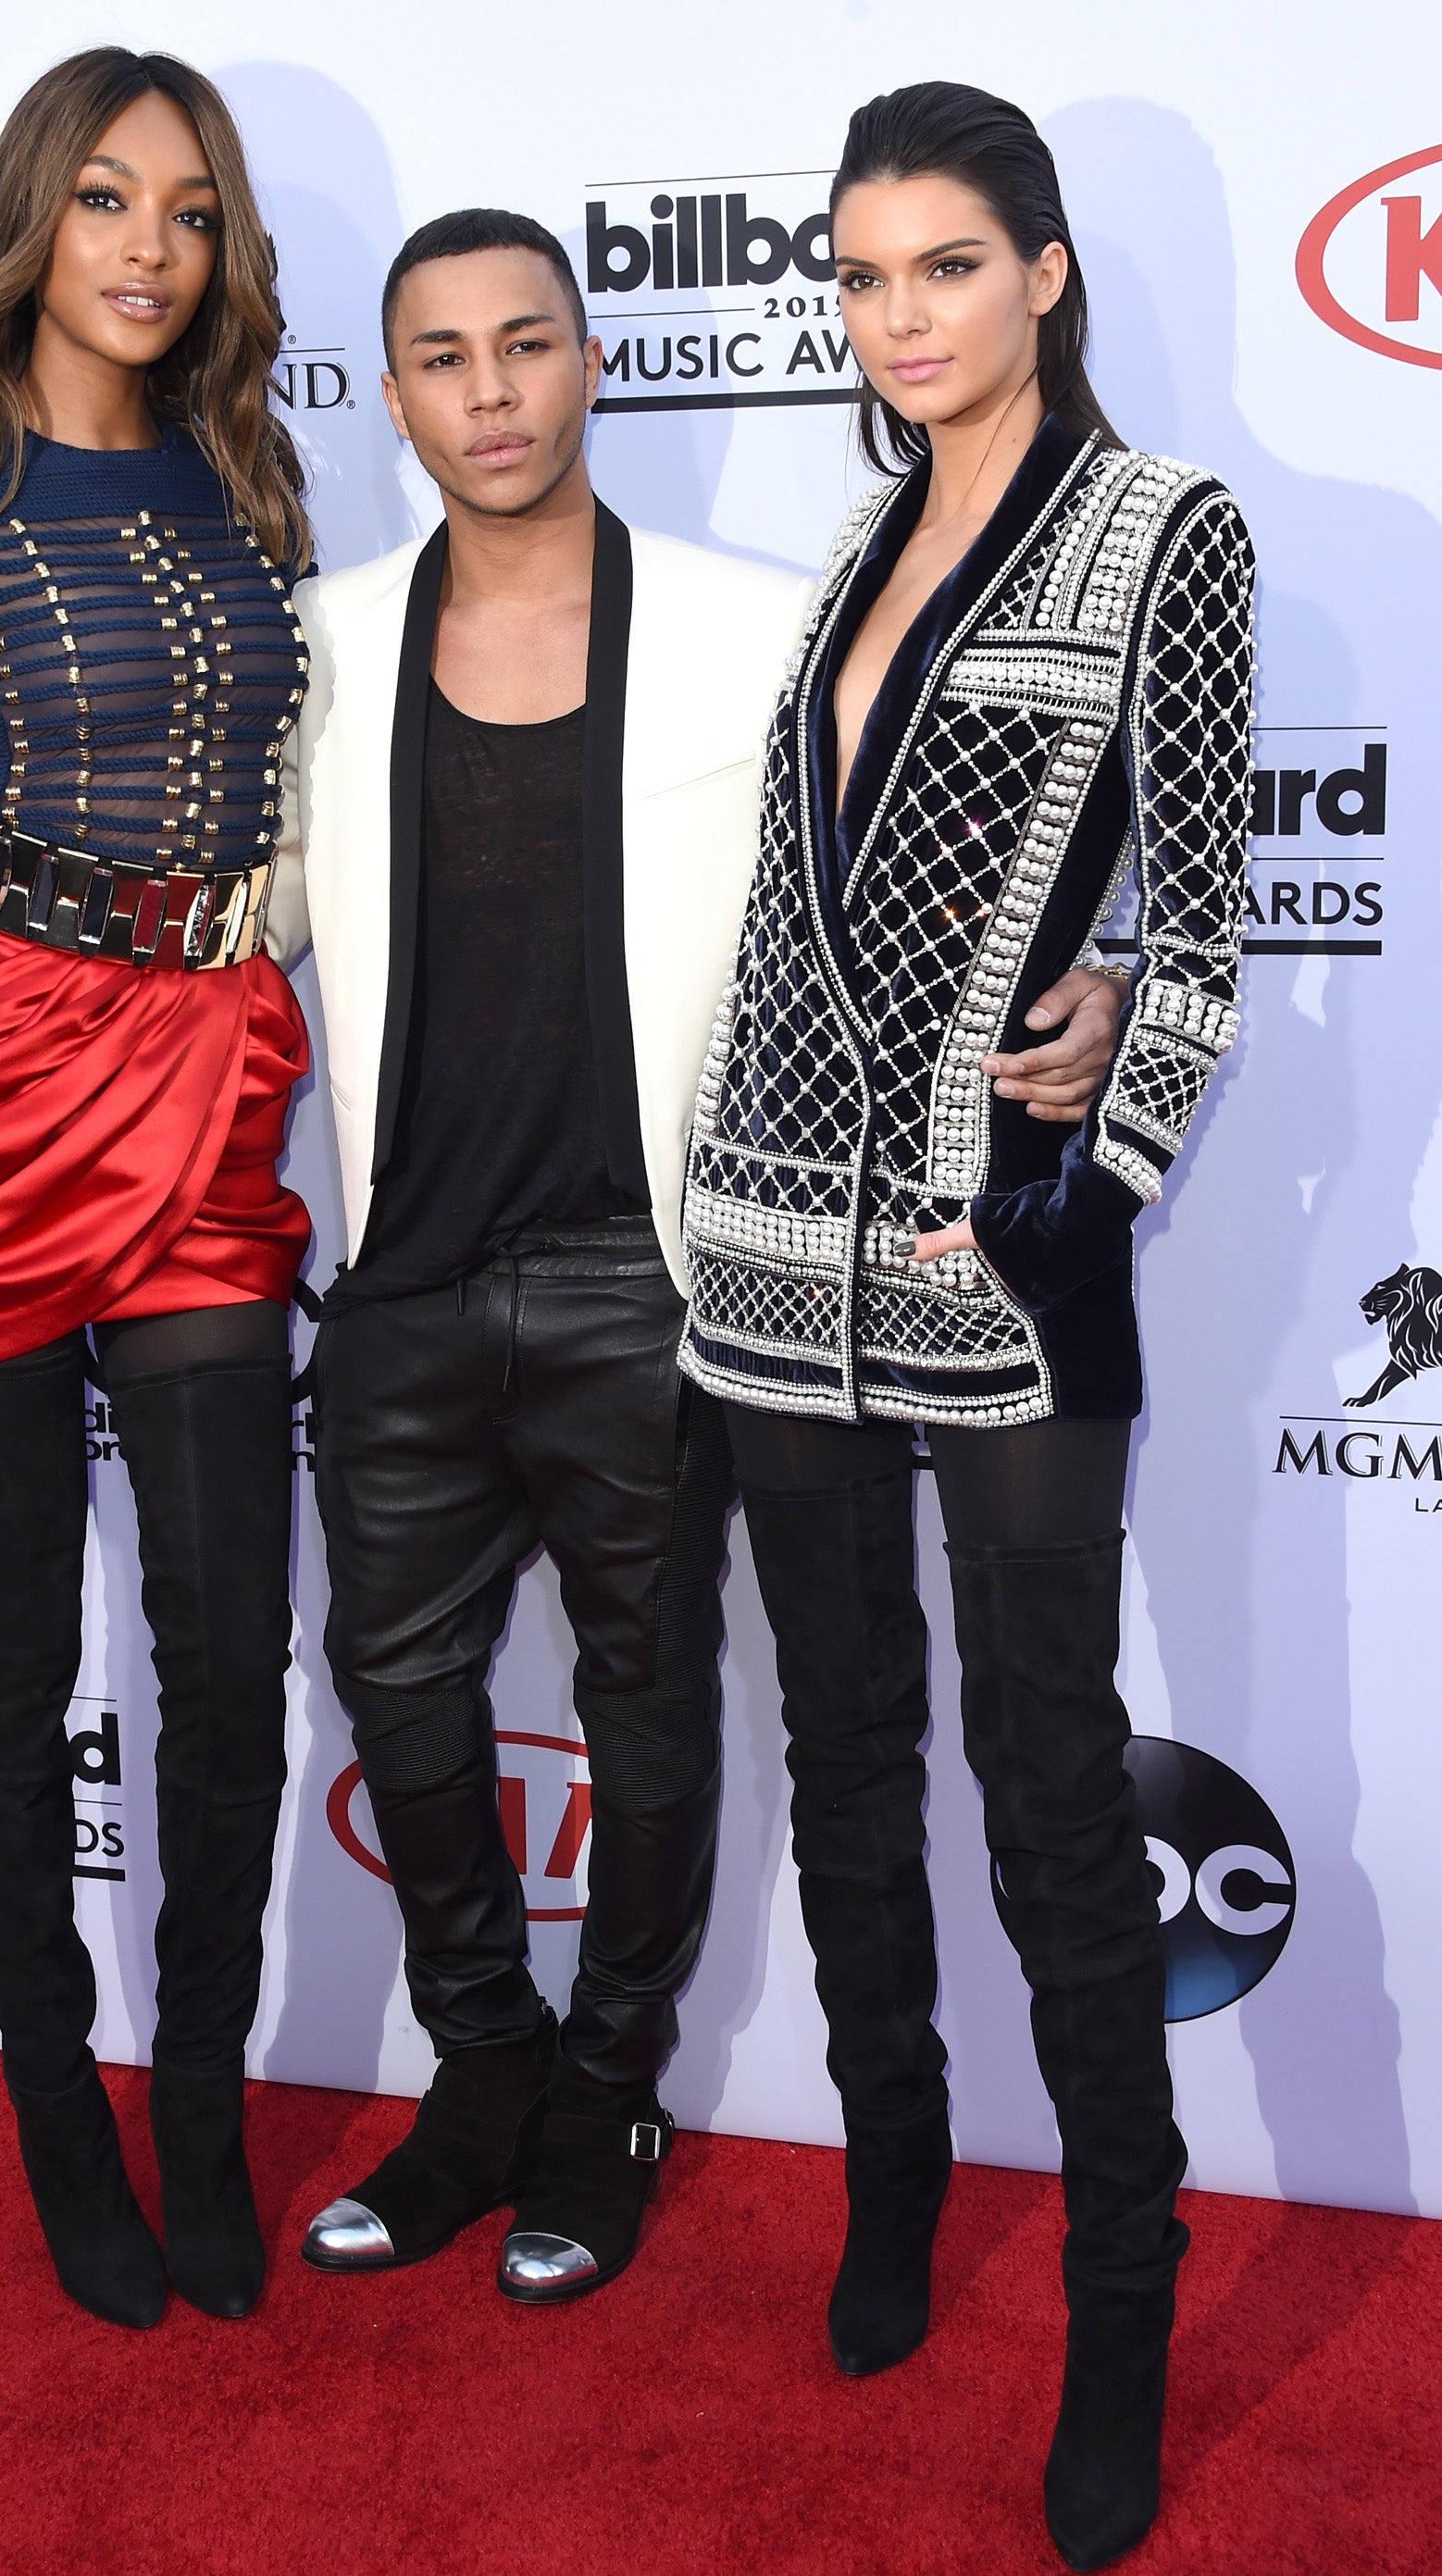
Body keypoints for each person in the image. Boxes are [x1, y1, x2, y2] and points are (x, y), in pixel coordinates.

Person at [0, 202, 1125, 2309]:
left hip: (644, 1279)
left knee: (654, 1721)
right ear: (389, 398)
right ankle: (483, 2070)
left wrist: (1095, 969)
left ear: (590, 366)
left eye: (528, 344)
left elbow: (929, 842)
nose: (490, 389)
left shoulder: (758, 630)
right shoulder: (327, 636)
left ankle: (610, 2093)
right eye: (443, 357)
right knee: (395, 1703)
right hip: (395, 1280)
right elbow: (227, 895)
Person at [680, 83, 1253, 2571]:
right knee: (840, 1758)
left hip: (1002, 1251)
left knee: (1045, 1783)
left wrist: (1114, 1091)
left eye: (942, 266)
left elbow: (1209, 919)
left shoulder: (1167, 534)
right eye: (861, 275)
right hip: (766, 1248)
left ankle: (1124, 2296)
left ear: (1041, 270)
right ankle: (893, 2180)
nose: (896, 317)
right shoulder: (856, 544)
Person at [0, 46, 317, 2330]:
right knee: (11, 1657)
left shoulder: (234, 479)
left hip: (207, 1075)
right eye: (105, 198)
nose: (143, 247)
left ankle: (198, 2109)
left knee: (224, 1652)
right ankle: (53, 2122)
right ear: (35, 211)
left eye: (187, 212)